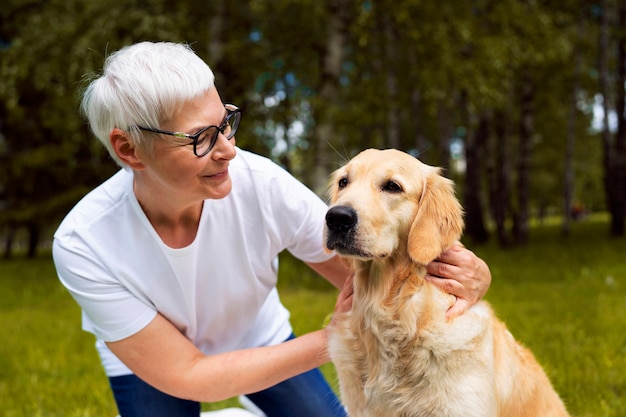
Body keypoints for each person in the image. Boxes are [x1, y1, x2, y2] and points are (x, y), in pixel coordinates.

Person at [52, 41, 492, 417]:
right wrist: (340, 336)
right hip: (155, 369)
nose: (228, 151)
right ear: (129, 148)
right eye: (202, 138)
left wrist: (473, 278)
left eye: (226, 123)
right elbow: (189, 376)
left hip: (260, 337)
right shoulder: (85, 244)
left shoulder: (259, 183)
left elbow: (381, 265)